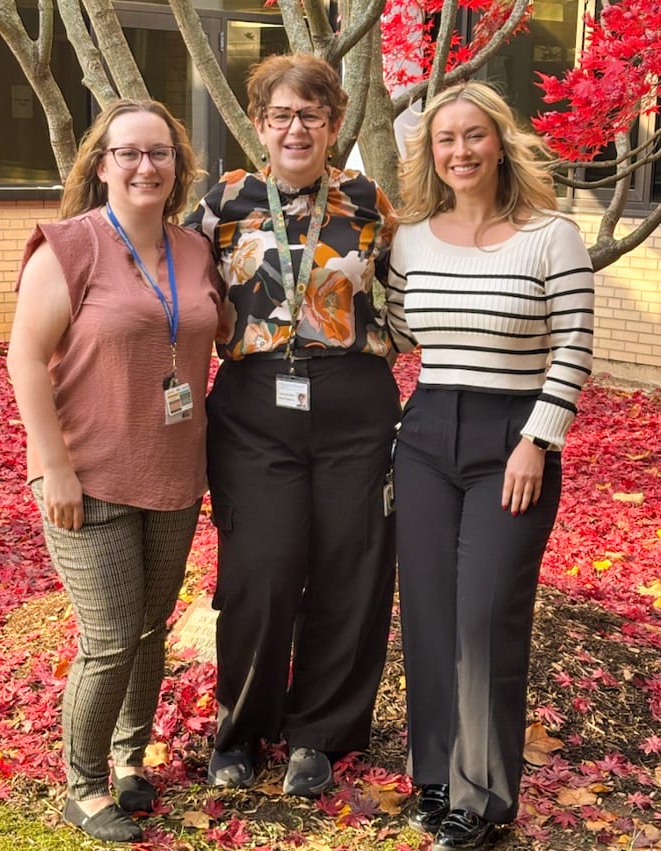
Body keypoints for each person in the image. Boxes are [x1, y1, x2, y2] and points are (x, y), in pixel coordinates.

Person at [185, 53, 412, 797]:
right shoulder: (223, 202)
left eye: (310, 115)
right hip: (254, 409)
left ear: (334, 124)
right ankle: (242, 727)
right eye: (280, 115)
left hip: (353, 406)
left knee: (350, 570)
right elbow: (175, 291)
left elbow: (410, 298)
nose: (294, 128)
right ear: (257, 124)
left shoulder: (369, 201)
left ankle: (320, 733)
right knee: (261, 571)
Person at [385, 82, 594, 851]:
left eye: (474, 135)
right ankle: (434, 776)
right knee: (431, 613)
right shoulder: (411, 239)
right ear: (429, 153)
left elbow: (572, 346)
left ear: (499, 142)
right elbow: (402, 330)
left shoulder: (551, 235)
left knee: (484, 617)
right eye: (445, 140)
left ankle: (483, 797)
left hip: (513, 437)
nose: (460, 151)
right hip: (428, 428)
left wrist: (537, 440)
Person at [7, 99, 220, 842]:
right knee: (108, 637)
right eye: (128, 153)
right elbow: (24, 358)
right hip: (86, 476)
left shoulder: (194, 251)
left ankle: (130, 761)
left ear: (177, 166)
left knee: (151, 629)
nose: (144, 166)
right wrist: (53, 465)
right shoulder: (67, 247)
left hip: (171, 473)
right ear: (101, 165)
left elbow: (217, 335)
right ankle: (84, 783)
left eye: (158, 153)